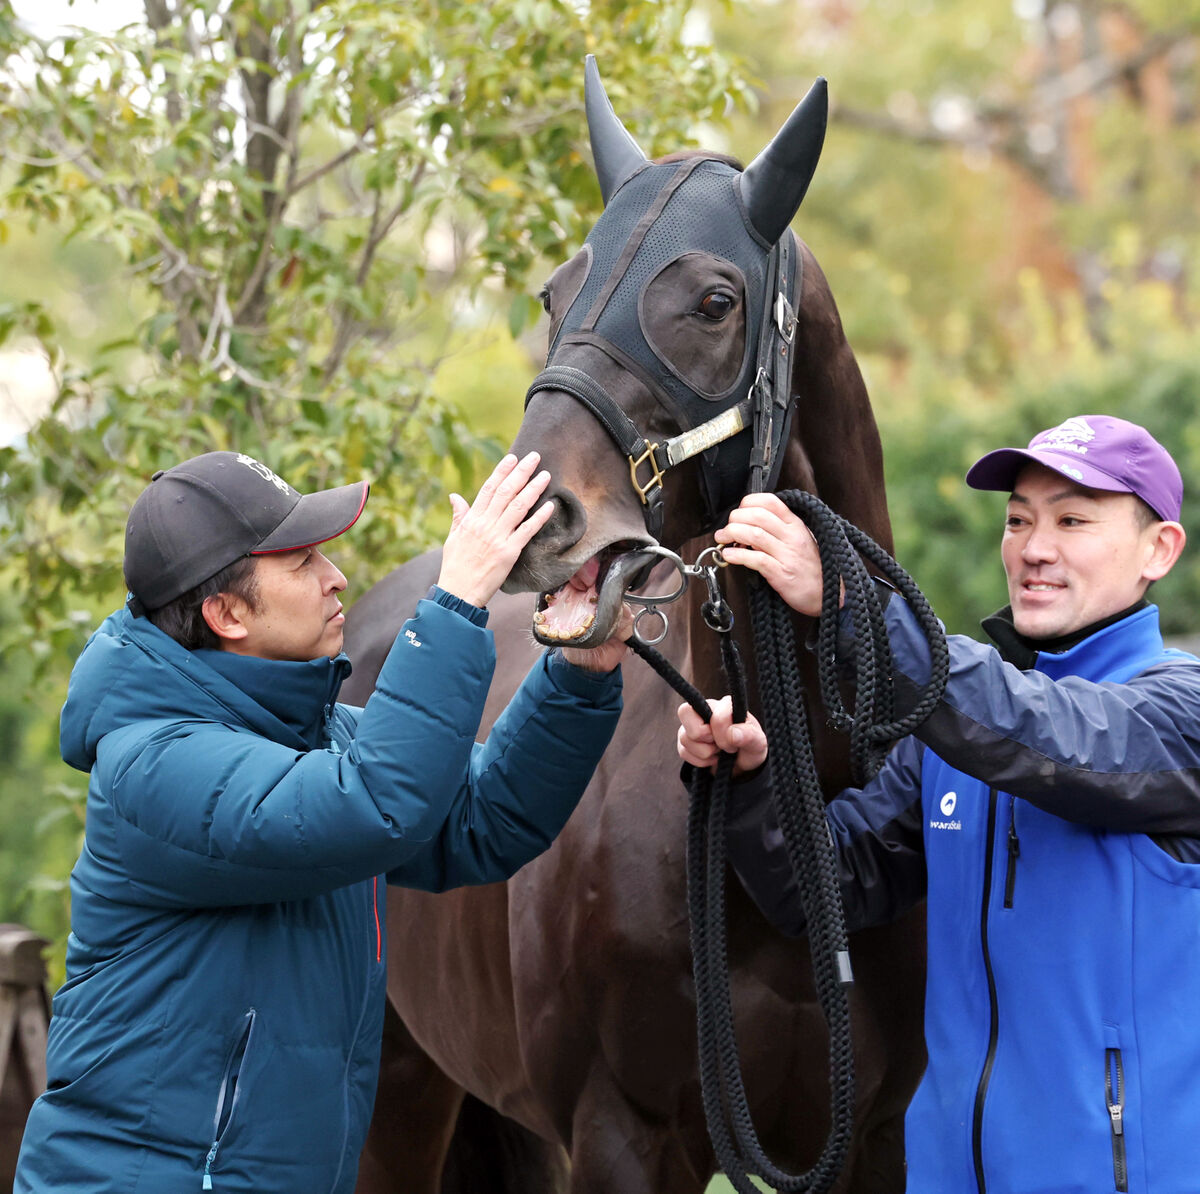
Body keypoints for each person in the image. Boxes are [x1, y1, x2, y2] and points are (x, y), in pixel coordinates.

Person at [15, 448, 630, 1194]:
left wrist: (579, 669)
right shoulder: (154, 764)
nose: (336, 578)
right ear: (227, 613)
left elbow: (484, 817)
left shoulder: (317, 739)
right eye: (303, 561)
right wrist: (457, 600)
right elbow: (375, 806)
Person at [677, 414, 1200, 1193]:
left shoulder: (1177, 710)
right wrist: (747, 779)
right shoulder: (954, 735)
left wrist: (854, 606)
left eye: (1072, 520)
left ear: (1159, 549)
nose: (1034, 547)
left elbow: (1053, 741)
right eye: (1018, 519)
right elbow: (820, 887)